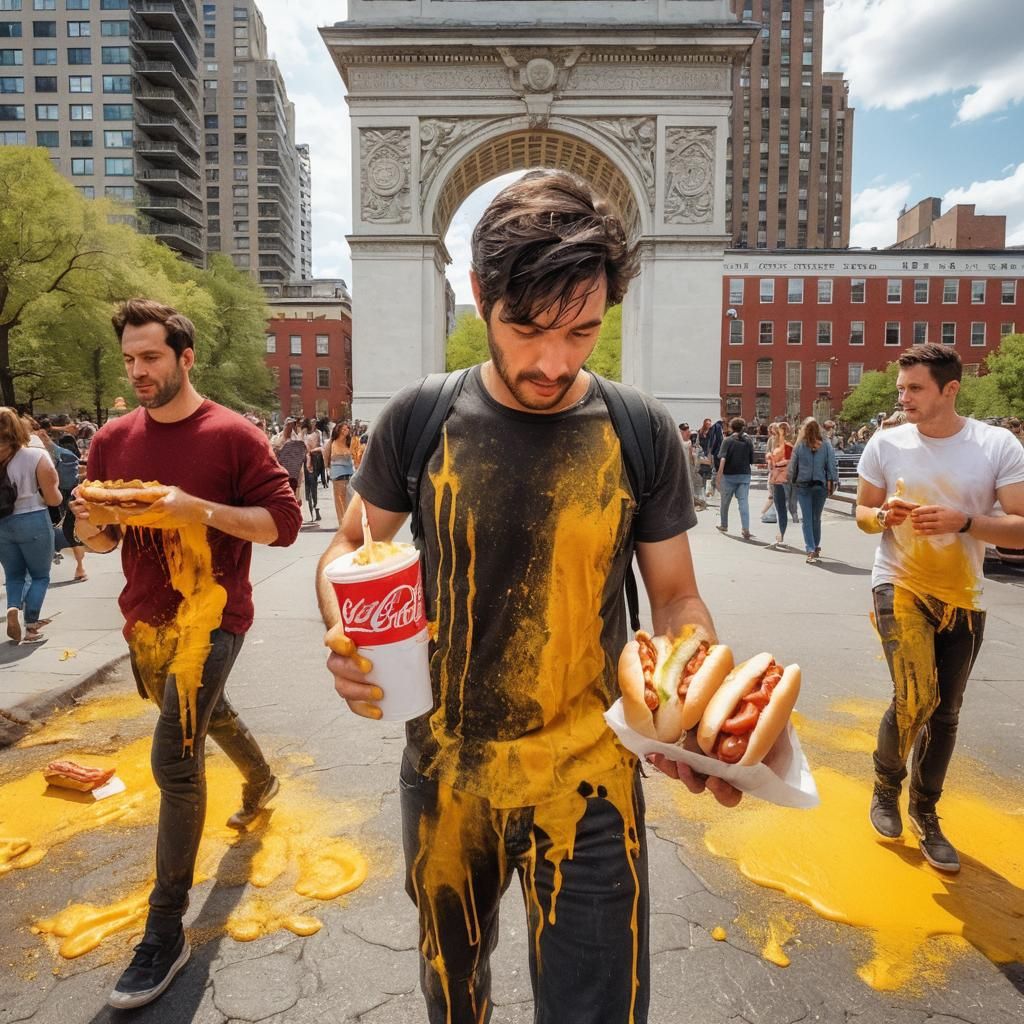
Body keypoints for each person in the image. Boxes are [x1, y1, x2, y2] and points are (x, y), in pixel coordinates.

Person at [316, 170, 738, 1024]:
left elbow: (678, 600)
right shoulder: (418, 417)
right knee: (453, 997)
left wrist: (701, 702)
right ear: (480, 295)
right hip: (444, 774)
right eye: (526, 327)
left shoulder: (640, 428)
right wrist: (344, 631)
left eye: (583, 330)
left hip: (593, 786)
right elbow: (349, 547)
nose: (554, 361)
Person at [70, 299, 302, 1010]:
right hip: (145, 622)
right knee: (206, 715)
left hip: (214, 619)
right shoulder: (111, 440)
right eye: (131, 359)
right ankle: (261, 779)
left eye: (152, 358)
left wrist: (195, 509)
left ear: (185, 358)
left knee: (174, 754)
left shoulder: (231, 436)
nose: (139, 371)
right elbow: (102, 544)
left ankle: (164, 929)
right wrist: (91, 526)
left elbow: (284, 526)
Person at [856, 345, 1024, 873]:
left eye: (914, 388)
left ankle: (926, 813)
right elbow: (862, 511)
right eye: (900, 388)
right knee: (915, 696)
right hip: (898, 583)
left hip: (964, 594)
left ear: (951, 389)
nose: (901, 397)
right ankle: (886, 788)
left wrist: (966, 522)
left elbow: (1020, 528)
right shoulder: (886, 443)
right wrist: (881, 515)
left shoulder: (997, 444)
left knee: (945, 713)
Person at [0, 408, 62, 643]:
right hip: (33, 519)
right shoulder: (36, 456)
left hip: (2, 525)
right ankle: (31, 626)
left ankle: (12, 608)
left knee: (14, 575)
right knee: (39, 576)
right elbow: (54, 498)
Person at [787, 417, 837, 563]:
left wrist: (790, 482)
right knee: (816, 518)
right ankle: (815, 546)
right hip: (820, 485)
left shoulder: (800, 445)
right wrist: (833, 481)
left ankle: (810, 549)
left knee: (807, 519)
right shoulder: (826, 445)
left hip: (803, 485)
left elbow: (792, 466)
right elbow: (831, 464)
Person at [715, 417, 755, 539]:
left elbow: (722, 459)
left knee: (725, 502)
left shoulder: (727, 441)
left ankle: (724, 525)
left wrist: (718, 477)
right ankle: (745, 528)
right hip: (744, 475)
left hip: (729, 476)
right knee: (743, 502)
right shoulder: (748, 441)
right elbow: (751, 460)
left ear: (732, 427)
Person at [765, 422, 793, 549]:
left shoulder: (786, 445)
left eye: (776, 431)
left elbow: (787, 462)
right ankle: (780, 536)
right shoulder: (778, 444)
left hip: (782, 480)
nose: (773, 433)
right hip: (778, 479)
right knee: (780, 509)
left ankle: (780, 537)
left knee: (781, 509)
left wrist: (773, 463)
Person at [324, 421, 355, 524]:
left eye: (347, 429)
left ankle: (349, 521)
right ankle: (342, 523)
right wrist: (328, 469)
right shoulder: (332, 442)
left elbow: (355, 454)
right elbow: (326, 456)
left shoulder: (350, 441)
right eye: (344, 429)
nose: (346, 430)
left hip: (350, 473)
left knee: (349, 498)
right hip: (337, 474)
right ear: (339, 430)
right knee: (339, 499)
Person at [678, 422, 706, 511]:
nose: (687, 431)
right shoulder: (682, 441)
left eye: (687, 430)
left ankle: (692, 503)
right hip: (682, 467)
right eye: (685, 430)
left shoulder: (689, 442)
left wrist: (694, 465)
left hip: (688, 467)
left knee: (690, 485)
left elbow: (692, 456)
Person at [302, 417, 323, 523]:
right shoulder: (304, 433)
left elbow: (322, 447)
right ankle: (310, 511)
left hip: (315, 460)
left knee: (313, 486)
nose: (313, 423)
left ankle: (315, 509)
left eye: (315, 422)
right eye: (312, 422)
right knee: (306, 487)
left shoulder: (319, 433)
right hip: (305, 460)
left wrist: (313, 451)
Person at [696, 417, 716, 497]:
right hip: (701, 455)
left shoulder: (711, 434)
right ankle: (702, 494)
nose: (709, 425)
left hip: (708, 455)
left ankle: (705, 493)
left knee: (708, 475)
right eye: (707, 424)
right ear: (704, 424)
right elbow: (697, 443)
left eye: (710, 424)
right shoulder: (699, 432)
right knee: (701, 474)